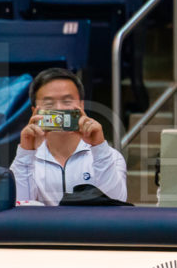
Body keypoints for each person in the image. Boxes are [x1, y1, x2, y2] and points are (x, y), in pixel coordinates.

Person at [10, 68, 127, 206]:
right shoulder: (26, 160)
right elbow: (17, 206)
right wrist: (26, 151)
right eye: (49, 103)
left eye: (67, 101)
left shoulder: (110, 157)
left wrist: (99, 146)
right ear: (34, 111)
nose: (59, 109)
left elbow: (118, 205)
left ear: (81, 105)